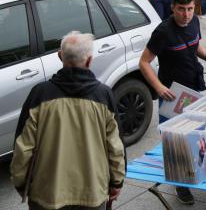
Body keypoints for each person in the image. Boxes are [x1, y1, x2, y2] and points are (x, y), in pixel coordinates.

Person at [11, 31, 125, 210]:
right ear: (89, 61)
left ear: (59, 56)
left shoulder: (39, 95)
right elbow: (115, 146)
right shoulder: (103, 96)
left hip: (47, 195)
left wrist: (20, 182)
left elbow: (22, 148)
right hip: (93, 194)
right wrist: (117, 182)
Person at [139, 0, 206, 204]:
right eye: (181, 10)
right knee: (175, 140)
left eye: (190, 9)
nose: (186, 15)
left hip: (193, 89)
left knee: (195, 134)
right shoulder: (163, 32)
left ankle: (195, 170)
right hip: (172, 93)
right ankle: (180, 184)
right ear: (172, 8)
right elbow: (144, 62)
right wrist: (158, 87)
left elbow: (195, 45)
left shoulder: (194, 21)